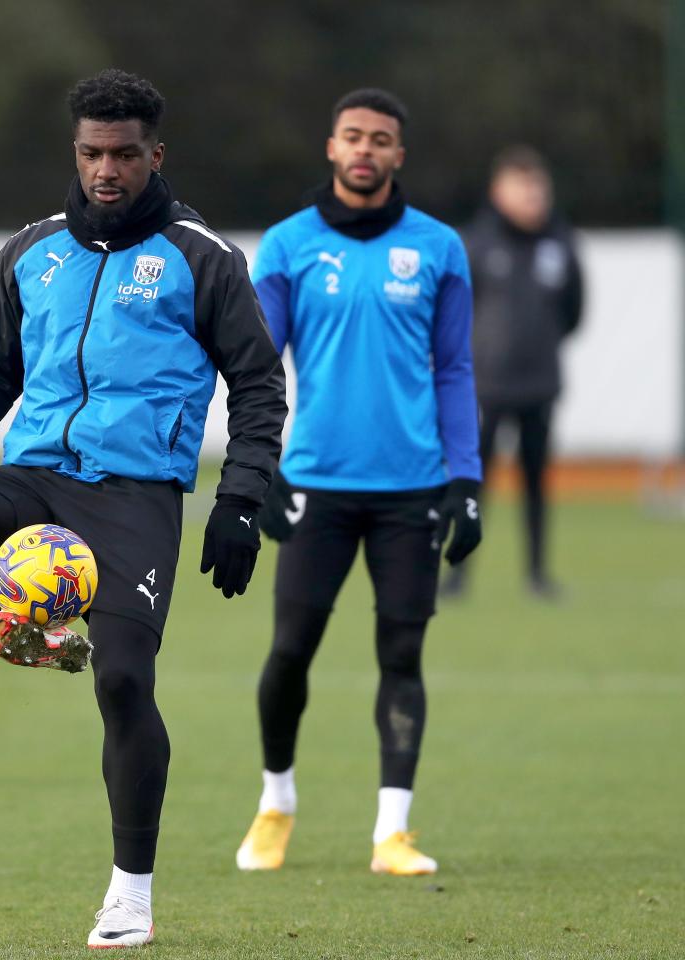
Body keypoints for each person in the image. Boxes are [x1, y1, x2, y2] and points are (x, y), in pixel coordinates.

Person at [0, 69, 287, 947]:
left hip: (134, 498)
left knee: (124, 680)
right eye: (92, 153)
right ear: (76, 150)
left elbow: (257, 384)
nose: (107, 170)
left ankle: (130, 892)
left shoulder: (200, 258)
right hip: (34, 484)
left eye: (125, 155)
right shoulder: (32, 251)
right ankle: (11, 614)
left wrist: (241, 498)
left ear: (155, 154)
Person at [234, 88, 483, 878]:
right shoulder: (288, 246)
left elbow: (453, 369)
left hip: (411, 490)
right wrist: (260, 466)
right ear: (332, 148)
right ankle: (276, 802)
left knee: (402, 655)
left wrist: (465, 479)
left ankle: (393, 834)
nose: (366, 149)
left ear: (398, 155)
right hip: (316, 487)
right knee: (289, 653)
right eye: (353, 136)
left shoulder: (439, 248)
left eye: (381, 139)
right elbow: (256, 365)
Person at [443, 146, 583, 599]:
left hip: (540, 383)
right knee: (472, 480)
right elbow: (456, 310)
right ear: (499, 192)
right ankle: (459, 573)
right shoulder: (477, 244)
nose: (533, 199)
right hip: (485, 385)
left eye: (539, 191)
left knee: (536, 480)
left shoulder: (560, 243)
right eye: (523, 190)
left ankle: (538, 574)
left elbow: (574, 310)